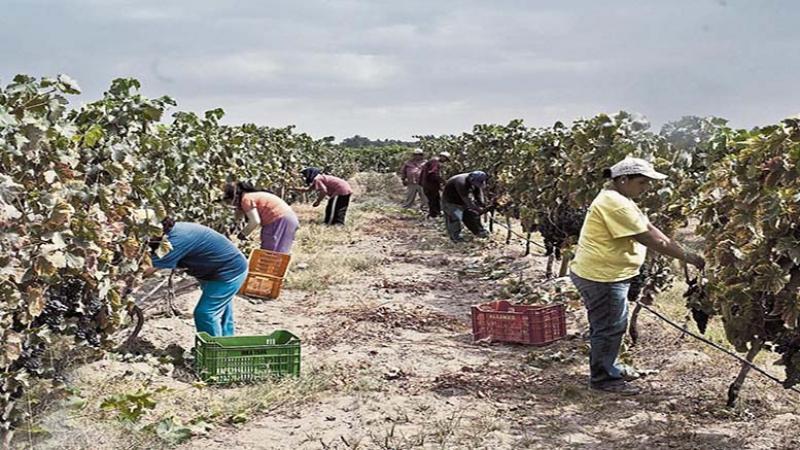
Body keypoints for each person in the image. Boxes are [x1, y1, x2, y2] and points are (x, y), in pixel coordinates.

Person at [569, 157, 705, 395]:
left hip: (605, 273)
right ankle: (603, 379)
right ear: (623, 179)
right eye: (642, 182)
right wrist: (689, 256)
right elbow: (651, 240)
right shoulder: (616, 203)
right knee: (610, 326)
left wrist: (681, 249)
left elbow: (650, 227)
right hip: (603, 276)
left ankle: (609, 367)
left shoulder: (621, 198)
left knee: (610, 324)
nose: (647, 188)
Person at [146, 218, 248, 337]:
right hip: (213, 269)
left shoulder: (175, 241)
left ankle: (213, 351)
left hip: (228, 271)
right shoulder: (174, 231)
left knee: (205, 313)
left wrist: (125, 285)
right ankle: (227, 342)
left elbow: (148, 269)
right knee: (221, 309)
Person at [222, 181, 299, 254]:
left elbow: (255, 221)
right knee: (279, 251)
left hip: (278, 220)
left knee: (270, 253)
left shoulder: (246, 199)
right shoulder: (250, 196)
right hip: (288, 218)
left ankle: (270, 268)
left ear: (234, 197)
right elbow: (238, 217)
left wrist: (243, 234)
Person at [441, 171, 490, 242]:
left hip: (462, 202)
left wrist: (482, 204)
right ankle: (455, 238)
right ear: (471, 179)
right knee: (455, 217)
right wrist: (478, 209)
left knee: (470, 216)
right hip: (450, 202)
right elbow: (467, 199)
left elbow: (478, 195)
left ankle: (479, 232)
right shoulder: (461, 182)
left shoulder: (476, 181)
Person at [419, 151, 451, 218]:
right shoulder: (435, 162)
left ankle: (436, 213)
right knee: (433, 200)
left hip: (428, 184)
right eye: (445, 159)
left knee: (435, 199)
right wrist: (443, 181)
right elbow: (433, 174)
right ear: (442, 157)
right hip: (430, 185)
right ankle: (434, 215)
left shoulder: (433, 161)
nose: (445, 162)